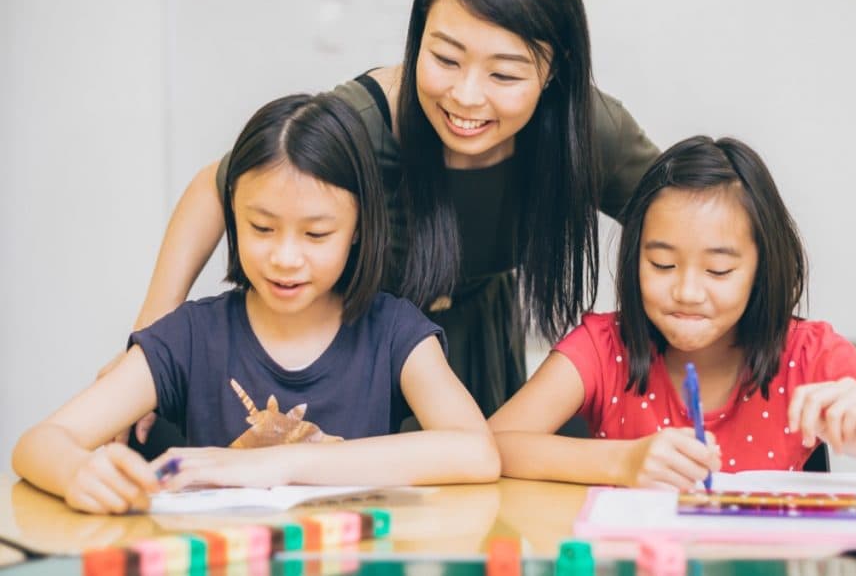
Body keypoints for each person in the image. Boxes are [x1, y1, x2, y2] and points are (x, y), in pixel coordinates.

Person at [126, 0, 660, 427]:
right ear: (417, 38)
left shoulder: (586, 131)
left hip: (478, 343)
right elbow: (213, 190)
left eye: (503, 74)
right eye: (445, 59)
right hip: (362, 350)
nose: (467, 96)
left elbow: (685, 214)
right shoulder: (361, 123)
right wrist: (147, 341)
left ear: (554, 69)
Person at [12, 94, 499, 515]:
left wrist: (276, 463)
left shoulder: (393, 332)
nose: (285, 258)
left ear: (358, 230)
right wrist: (78, 471)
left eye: (316, 233)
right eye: (261, 228)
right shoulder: (191, 336)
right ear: (231, 215)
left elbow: (476, 453)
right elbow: (39, 443)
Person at [489, 136, 856, 488]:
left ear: (763, 266)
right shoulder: (604, 347)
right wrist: (622, 461)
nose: (688, 292)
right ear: (634, 257)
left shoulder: (808, 354)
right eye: (662, 263)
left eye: (718, 272)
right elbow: (491, 447)